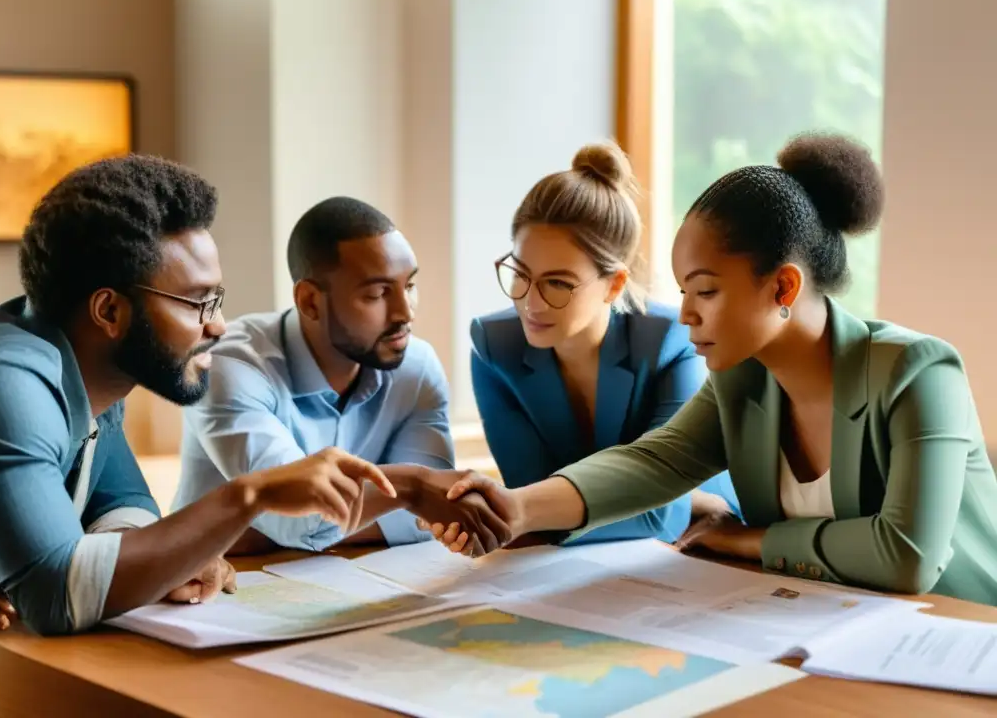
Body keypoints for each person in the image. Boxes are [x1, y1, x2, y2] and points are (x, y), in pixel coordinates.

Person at [432, 132, 997, 605]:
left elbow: (908, 558)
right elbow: (653, 461)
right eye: (682, 290)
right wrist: (517, 507)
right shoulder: (743, 379)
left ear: (783, 285)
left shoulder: (920, 372)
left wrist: (750, 540)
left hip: (957, 639)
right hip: (823, 629)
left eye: (705, 290)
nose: (685, 314)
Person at [0, 158, 503, 636]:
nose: (218, 326)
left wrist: (164, 558)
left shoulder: (90, 369)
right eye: (198, 302)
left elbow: (120, 504)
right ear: (109, 312)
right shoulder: (7, 381)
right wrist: (249, 495)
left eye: (217, 299)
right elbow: (54, 596)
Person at [468, 142, 740, 544]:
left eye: (558, 283)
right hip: (597, 556)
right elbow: (526, 494)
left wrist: (534, 513)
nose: (530, 301)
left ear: (613, 285)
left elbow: (659, 513)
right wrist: (528, 513)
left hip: (709, 541)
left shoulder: (670, 343)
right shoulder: (495, 349)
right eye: (520, 273)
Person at [173, 196, 476, 555]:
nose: (405, 312)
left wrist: (256, 532)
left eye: (409, 286)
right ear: (310, 301)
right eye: (378, 294)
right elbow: (299, 520)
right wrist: (411, 490)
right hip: (215, 588)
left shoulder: (416, 367)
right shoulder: (228, 367)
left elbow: (433, 515)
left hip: (348, 583)